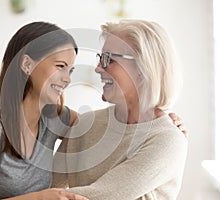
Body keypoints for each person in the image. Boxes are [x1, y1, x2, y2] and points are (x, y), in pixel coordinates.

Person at [52, 19, 188, 200]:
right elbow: (46, 185)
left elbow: (101, 196)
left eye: (109, 59)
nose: (98, 68)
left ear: (143, 68)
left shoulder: (168, 139)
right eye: (100, 59)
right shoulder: (85, 124)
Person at [0, 21, 88, 200]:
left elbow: (101, 129)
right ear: (27, 64)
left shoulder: (55, 119)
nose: (67, 79)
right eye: (60, 66)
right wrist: (39, 198)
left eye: (70, 71)